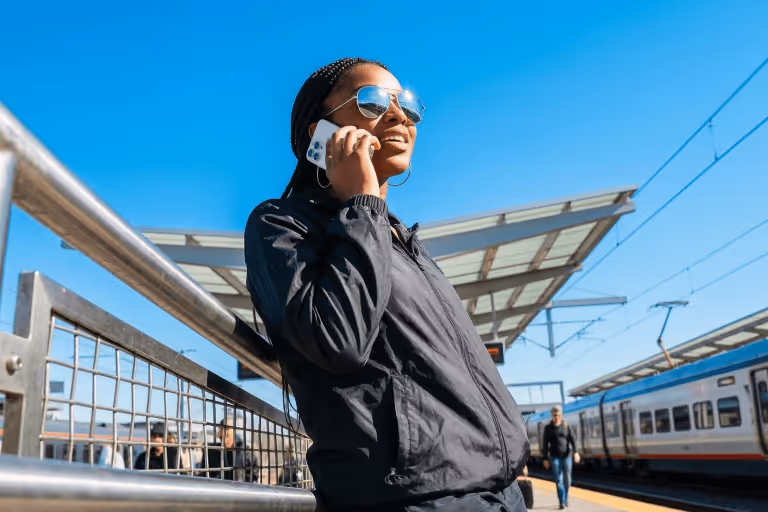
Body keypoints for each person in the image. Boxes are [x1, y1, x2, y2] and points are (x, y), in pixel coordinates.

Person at [244, 57, 529, 511]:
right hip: (416, 499)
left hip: (500, 493)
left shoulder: (398, 240)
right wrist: (362, 203)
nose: (399, 116)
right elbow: (336, 340)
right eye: (374, 101)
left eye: (408, 105)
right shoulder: (282, 224)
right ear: (320, 130)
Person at [542, 406, 579, 509]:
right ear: (552, 415)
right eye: (554, 415)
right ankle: (561, 501)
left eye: (558, 415)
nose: (556, 417)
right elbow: (545, 444)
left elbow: (573, 439)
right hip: (555, 457)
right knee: (558, 479)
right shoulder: (548, 428)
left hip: (567, 456)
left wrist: (575, 452)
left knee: (568, 479)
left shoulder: (566, 425)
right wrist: (545, 458)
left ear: (561, 415)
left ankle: (566, 498)